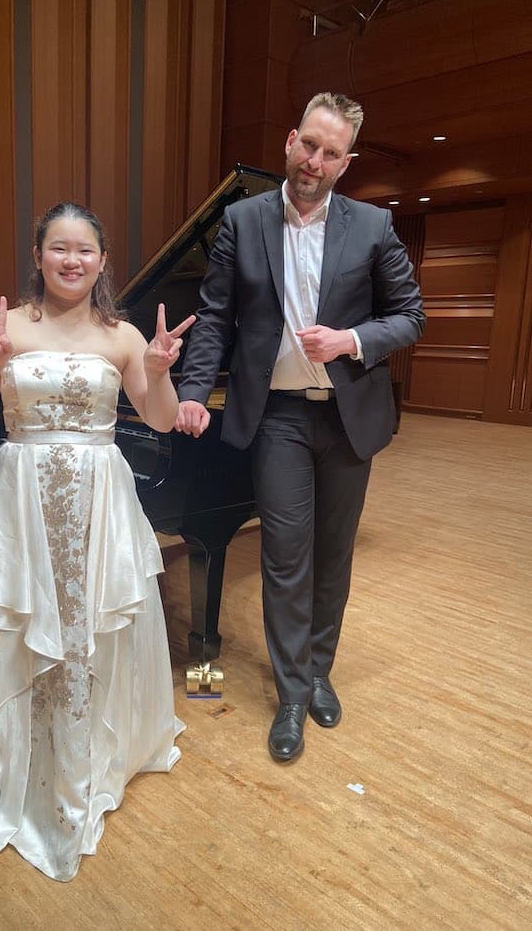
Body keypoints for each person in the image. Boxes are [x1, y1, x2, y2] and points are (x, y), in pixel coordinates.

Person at [0, 201, 195, 879]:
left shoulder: (123, 335)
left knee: (90, 623)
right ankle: (12, 753)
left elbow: (158, 420)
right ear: (38, 256)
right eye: (59, 248)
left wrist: (156, 371)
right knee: (21, 619)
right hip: (22, 495)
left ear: (102, 261)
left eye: (85, 250)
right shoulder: (3, 325)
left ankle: (82, 753)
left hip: (99, 497)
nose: (72, 260)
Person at [175, 92, 425, 763]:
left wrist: (348, 339)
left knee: (332, 553)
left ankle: (318, 670)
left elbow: (408, 315)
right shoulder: (242, 220)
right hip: (278, 416)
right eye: (307, 144)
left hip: (348, 418)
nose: (314, 160)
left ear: (346, 162)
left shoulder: (371, 227)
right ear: (289, 141)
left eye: (329, 152)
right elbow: (217, 315)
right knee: (285, 555)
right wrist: (194, 390)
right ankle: (290, 695)